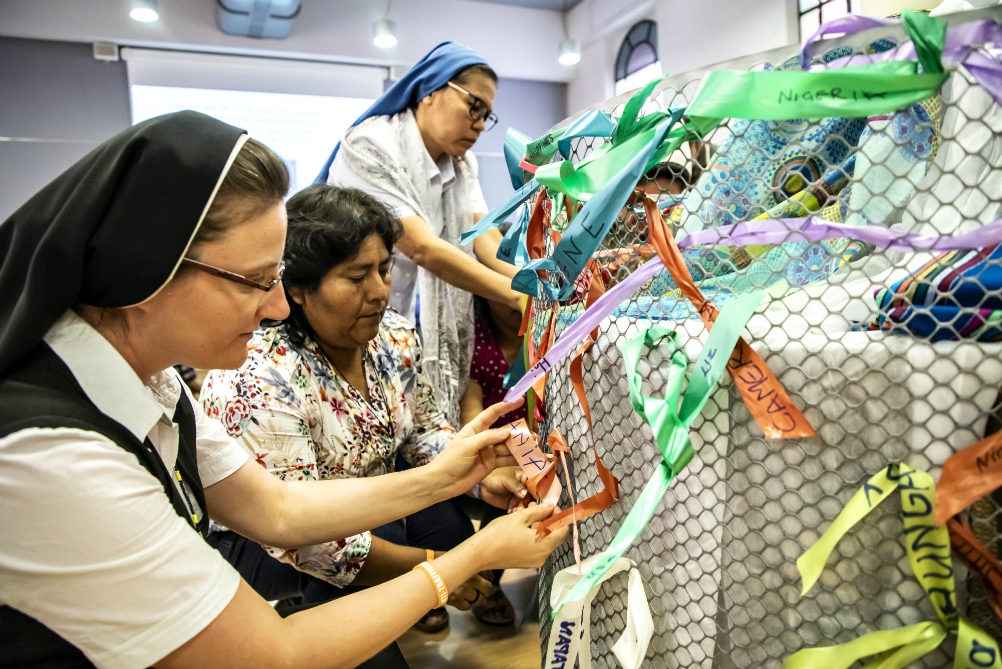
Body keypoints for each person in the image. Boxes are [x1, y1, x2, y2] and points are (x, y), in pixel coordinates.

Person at [0, 111, 567, 669]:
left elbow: (278, 507)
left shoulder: (152, 378)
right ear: (149, 268)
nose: (275, 306)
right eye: (256, 281)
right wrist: (465, 561)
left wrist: (454, 471)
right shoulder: (50, 455)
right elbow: (277, 653)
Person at [199, 184, 526, 634]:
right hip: (263, 541)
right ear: (297, 289)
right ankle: (304, 623)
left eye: (385, 270)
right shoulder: (261, 377)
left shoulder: (393, 336)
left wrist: (482, 472)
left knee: (447, 525)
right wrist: (438, 573)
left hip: (367, 502)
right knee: (388, 542)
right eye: (356, 278)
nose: (379, 293)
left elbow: (425, 432)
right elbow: (304, 536)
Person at [316, 42, 521, 430]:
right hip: (354, 317)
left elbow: (484, 238)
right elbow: (422, 248)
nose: (479, 123)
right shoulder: (372, 145)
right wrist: (515, 296)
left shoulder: (462, 165)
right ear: (430, 90)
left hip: (409, 330)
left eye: (487, 116)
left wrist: (532, 284)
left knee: (417, 430)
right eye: (474, 106)